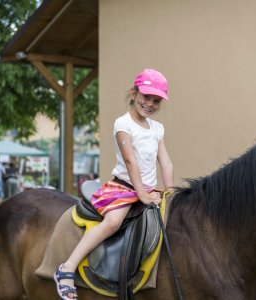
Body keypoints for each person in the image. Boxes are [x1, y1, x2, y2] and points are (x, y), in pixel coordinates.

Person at [54, 69, 174, 300]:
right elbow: (130, 161)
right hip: (124, 188)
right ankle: (67, 267)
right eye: (146, 97)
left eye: (155, 100)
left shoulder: (157, 129)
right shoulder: (123, 124)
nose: (149, 104)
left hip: (148, 189)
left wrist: (169, 191)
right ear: (134, 93)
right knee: (113, 222)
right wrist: (141, 194)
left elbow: (165, 161)